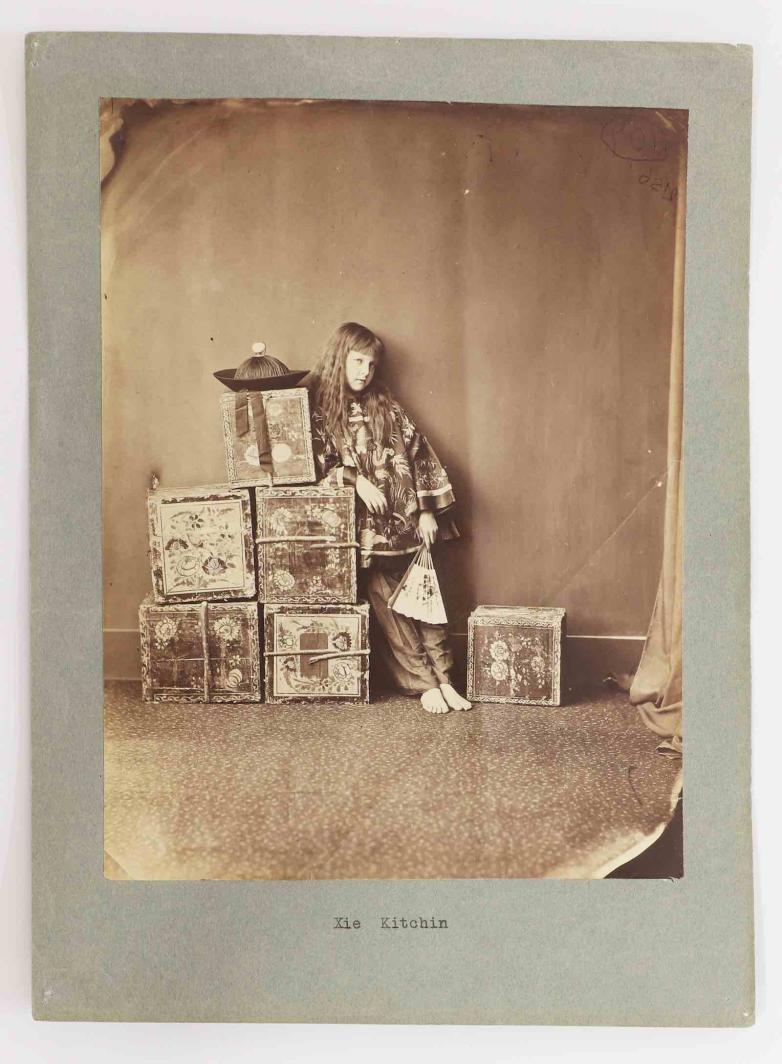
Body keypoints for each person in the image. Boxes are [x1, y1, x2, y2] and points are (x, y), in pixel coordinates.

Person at [306, 321, 472, 715]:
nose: (365, 371)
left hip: (408, 524)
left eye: (371, 364)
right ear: (339, 358)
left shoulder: (388, 407)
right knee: (391, 607)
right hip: (366, 532)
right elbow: (315, 465)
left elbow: (419, 454)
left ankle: (445, 679)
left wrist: (428, 511)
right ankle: (423, 682)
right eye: (357, 361)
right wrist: (356, 480)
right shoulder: (320, 412)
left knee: (426, 600)